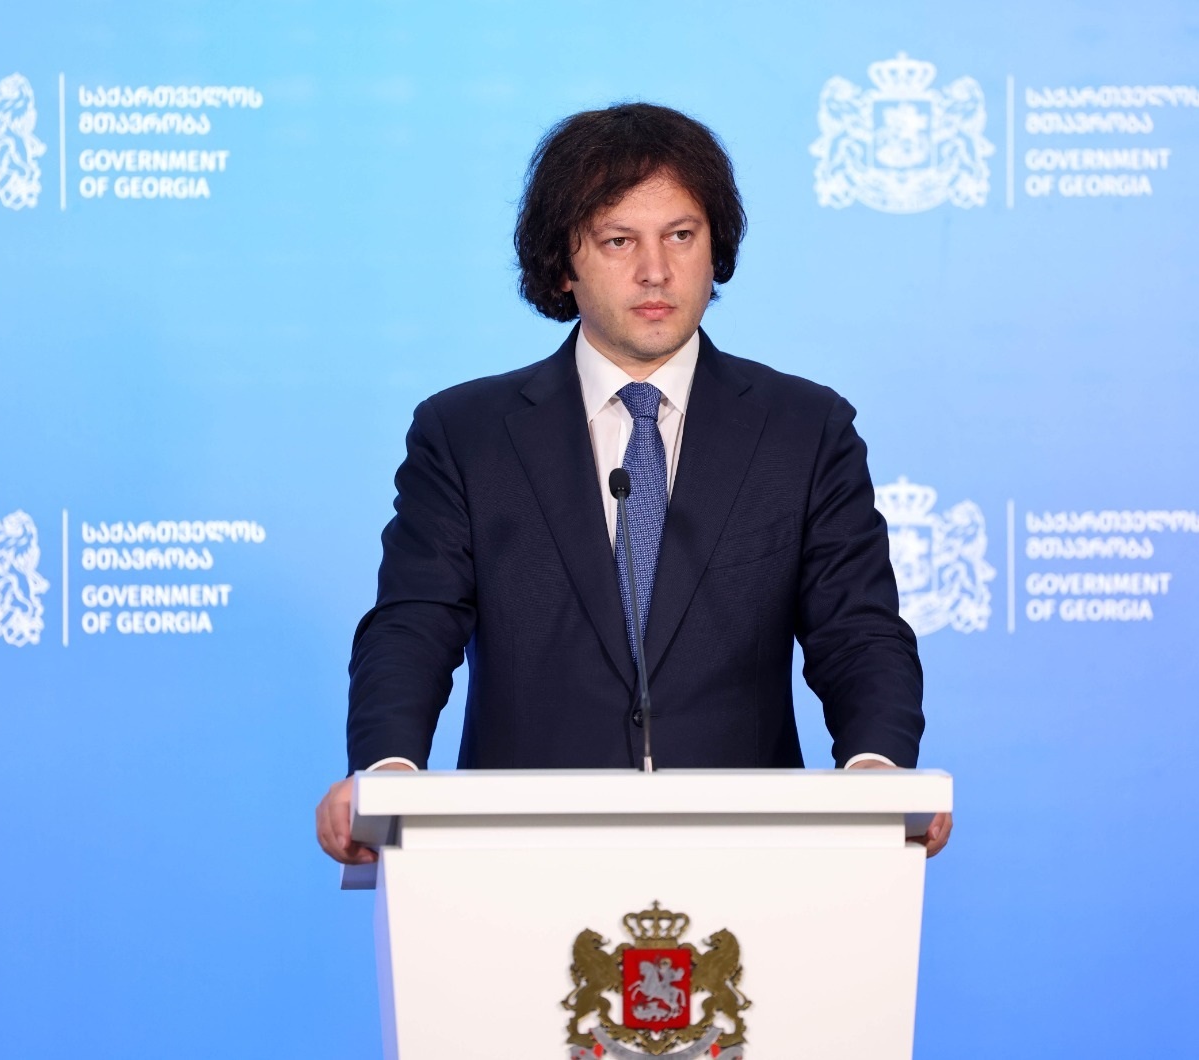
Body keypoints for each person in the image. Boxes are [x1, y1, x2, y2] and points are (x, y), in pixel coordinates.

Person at [316, 103, 951, 865]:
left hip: (748, 856)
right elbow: (414, 622)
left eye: (681, 236)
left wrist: (877, 770)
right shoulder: (466, 433)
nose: (656, 271)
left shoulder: (804, 429)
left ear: (715, 249)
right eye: (619, 241)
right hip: (521, 854)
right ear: (563, 263)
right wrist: (388, 771)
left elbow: (857, 630)